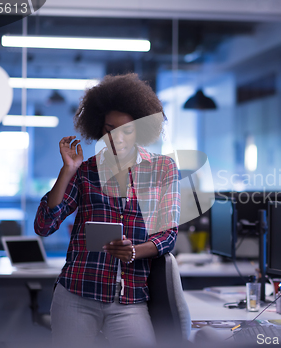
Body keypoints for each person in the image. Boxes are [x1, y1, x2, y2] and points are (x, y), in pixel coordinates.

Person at [34, 73, 180, 347]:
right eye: (109, 129)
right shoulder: (86, 171)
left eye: (127, 130)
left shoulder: (163, 170)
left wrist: (135, 250)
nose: (117, 139)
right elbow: (44, 225)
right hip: (77, 293)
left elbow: (168, 236)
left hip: (129, 298)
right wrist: (68, 171)